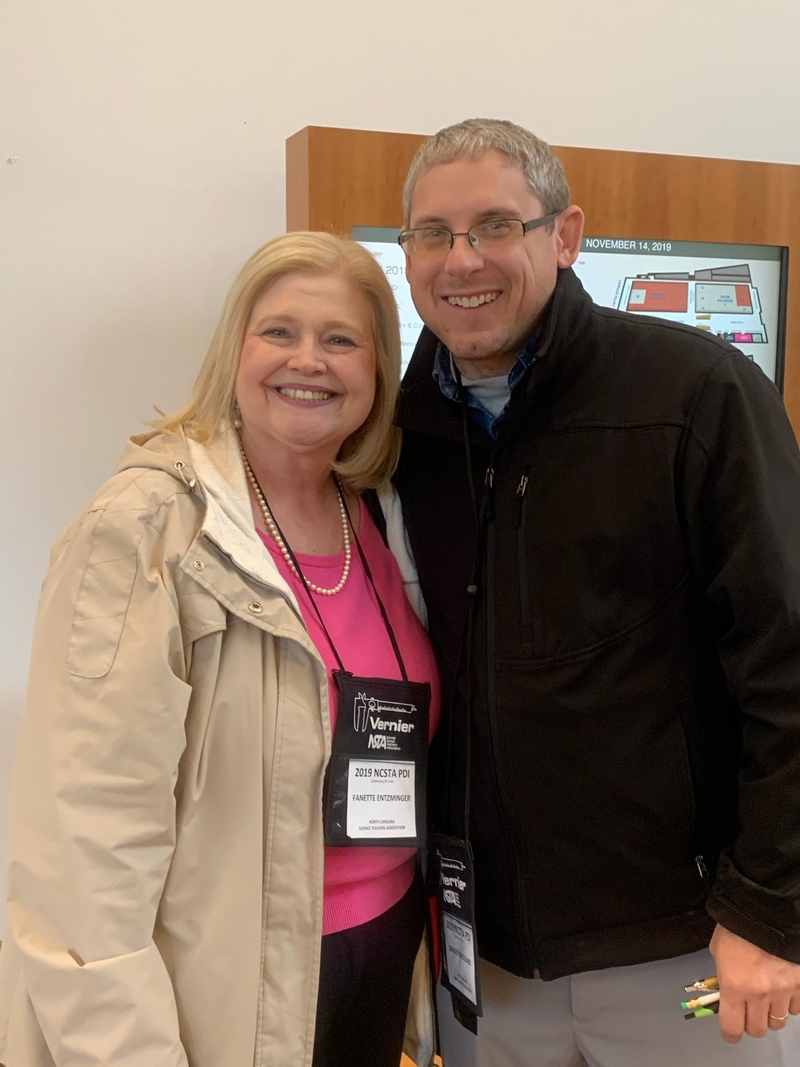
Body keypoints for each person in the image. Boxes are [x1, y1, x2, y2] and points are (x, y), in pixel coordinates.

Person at [393, 117, 800, 1066]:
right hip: (490, 958)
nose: (462, 260)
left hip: (688, 951)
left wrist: (772, 910)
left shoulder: (696, 393)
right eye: (433, 233)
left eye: (496, 226)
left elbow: (787, 660)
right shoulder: (402, 430)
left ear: (565, 235)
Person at [0, 231, 440, 1067]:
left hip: (381, 963)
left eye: (341, 339)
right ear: (234, 351)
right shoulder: (145, 530)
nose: (307, 359)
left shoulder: (381, 518)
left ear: (379, 370)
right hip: (228, 992)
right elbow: (82, 859)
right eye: (278, 331)